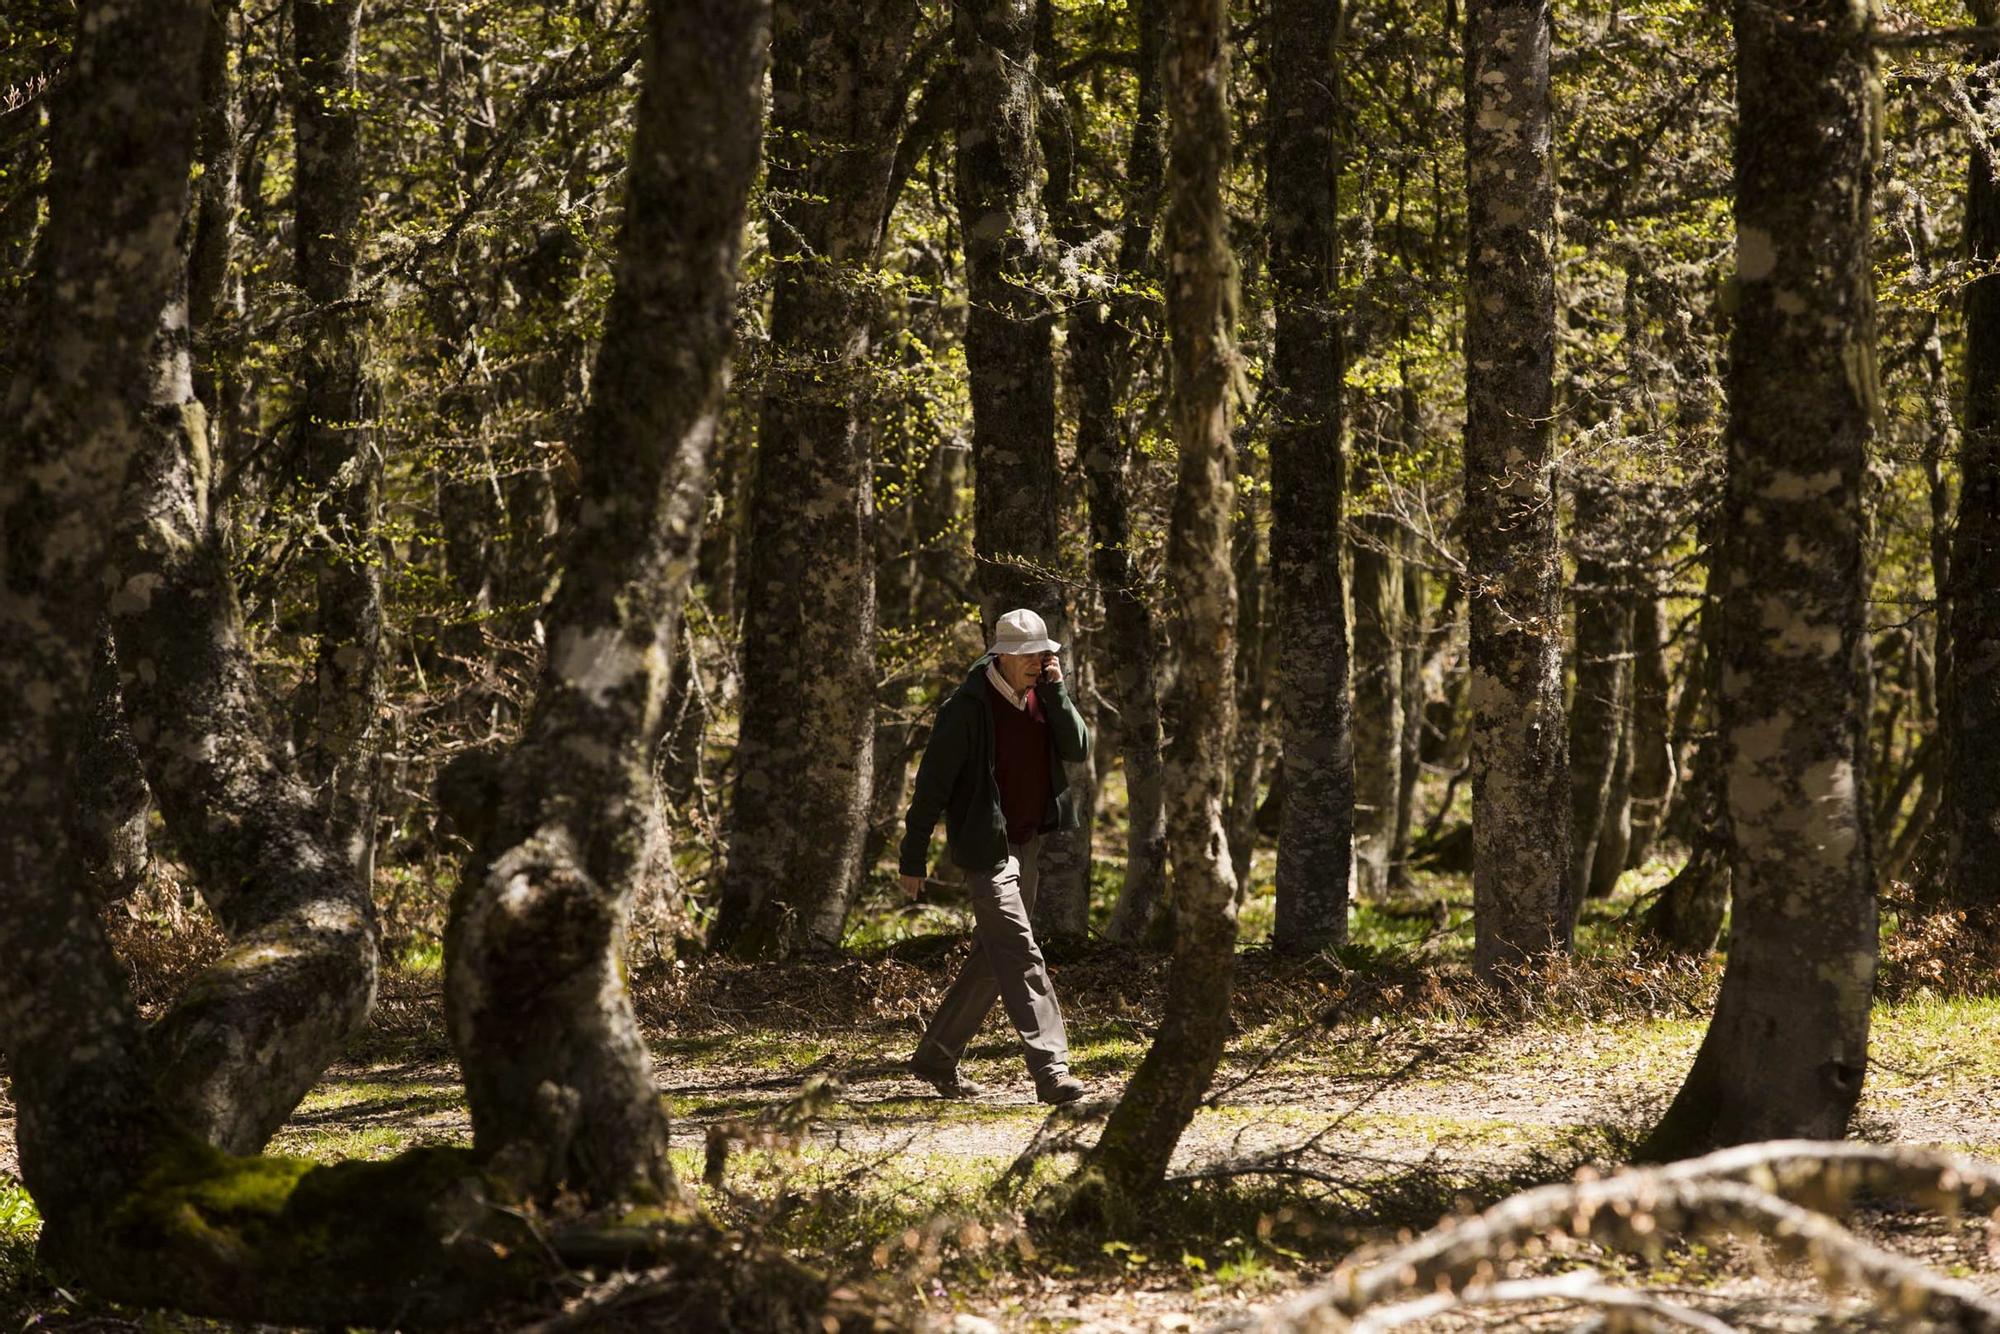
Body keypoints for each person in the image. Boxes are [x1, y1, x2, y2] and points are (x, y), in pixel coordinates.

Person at [899, 608, 1090, 1104]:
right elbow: (930, 788)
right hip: (987, 851)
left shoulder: (1045, 697)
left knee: (994, 954)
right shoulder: (964, 708)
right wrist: (912, 857)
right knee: (1021, 950)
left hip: (1027, 842)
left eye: (1043, 654)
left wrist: (1058, 692)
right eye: (1028, 656)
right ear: (1001, 655)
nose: (1038, 662)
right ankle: (1051, 1068)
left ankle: (936, 1055)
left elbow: (1078, 748)